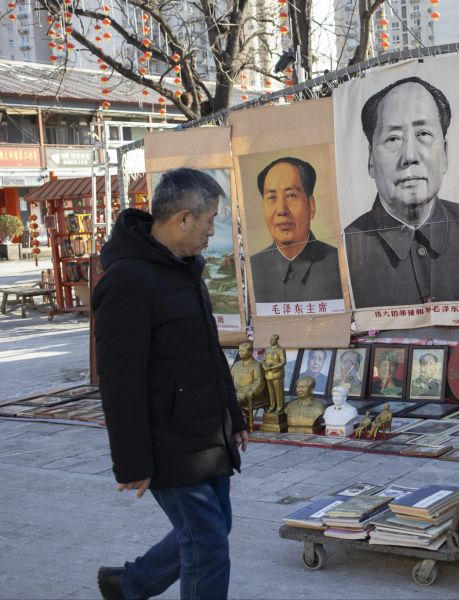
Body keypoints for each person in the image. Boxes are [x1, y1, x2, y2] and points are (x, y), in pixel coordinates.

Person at [92, 168, 248, 600]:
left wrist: (232, 417)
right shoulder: (127, 282)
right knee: (207, 544)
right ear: (182, 218)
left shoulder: (184, 270)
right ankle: (132, 584)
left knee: (215, 528)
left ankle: (131, 584)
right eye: (209, 220)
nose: (211, 231)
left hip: (206, 433)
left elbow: (208, 353)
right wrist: (132, 461)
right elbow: (118, 382)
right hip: (167, 442)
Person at [344, 76, 459, 308]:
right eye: (393, 138)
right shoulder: (346, 249)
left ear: (444, 152)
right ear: (371, 160)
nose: (410, 157)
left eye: (423, 134)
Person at [249, 157, 342, 303]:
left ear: (311, 205)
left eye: (291, 195)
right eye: (272, 197)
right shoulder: (251, 270)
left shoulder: (341, 264)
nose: (281, 210)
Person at [262, 334, 286, 413]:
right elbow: (263, 360)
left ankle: (279, 407)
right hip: (268, 374)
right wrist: (265, 367)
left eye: (272, 340)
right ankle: (272, 406)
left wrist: (272, 367)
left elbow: (283, 362)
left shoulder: (280, 350)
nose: (271, 341)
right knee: (271, 392)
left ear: (276, 340)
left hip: (277, 374)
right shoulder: (267, 349)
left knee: (278, 392)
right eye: (270, 339)